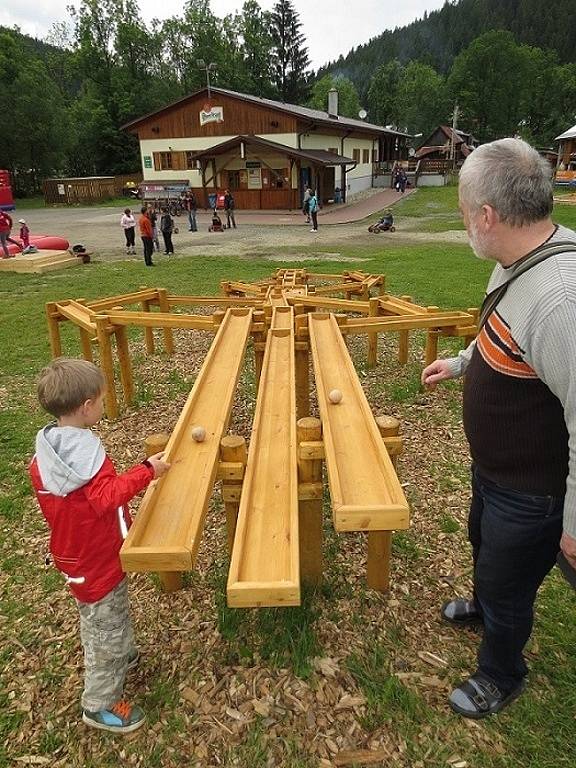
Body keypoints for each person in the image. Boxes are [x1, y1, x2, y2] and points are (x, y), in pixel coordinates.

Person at [421, 138, 576, 719]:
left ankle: (501, 671)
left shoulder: (563, 299)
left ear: (487, 215)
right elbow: (507, 337)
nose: (465, 224)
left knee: (510, 583)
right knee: (484, 545)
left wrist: (574, 525)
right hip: (496, 471)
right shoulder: (516, 263)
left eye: (464, 213)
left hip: (534, 490)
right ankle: (486, 606)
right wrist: (464, 363)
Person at [29, 358, 170, 733]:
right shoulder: (84, 454)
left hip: (77, 552)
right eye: (103, 400)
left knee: (108, 614)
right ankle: (100, 703)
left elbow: (73, 503)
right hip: (94, 558)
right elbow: (105, 497)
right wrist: (147, 471)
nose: (105, 405)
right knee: (102, 629)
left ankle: (122, 653)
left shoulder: (49, 451)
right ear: (87, 405)